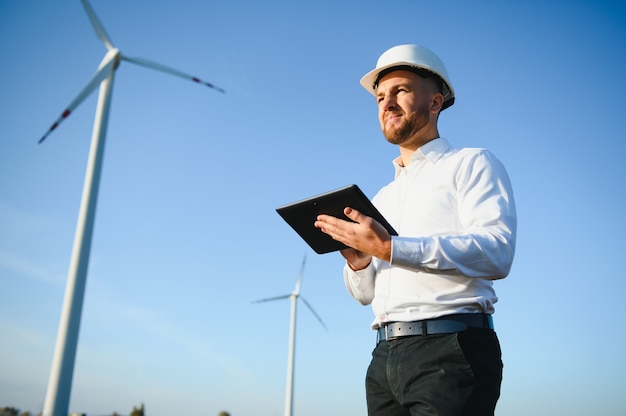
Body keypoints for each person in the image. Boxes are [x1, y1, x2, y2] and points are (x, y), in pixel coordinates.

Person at [314, 44, 517, 416]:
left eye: (400, 91)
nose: (387, 103)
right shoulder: (381, 197)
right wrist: (360, 260)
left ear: (435, 102)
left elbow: (497, 252)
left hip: (451, 349)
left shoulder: (471, 163)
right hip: (384, 357)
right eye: (379, 97)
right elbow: (365, 295)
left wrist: (391, 248)